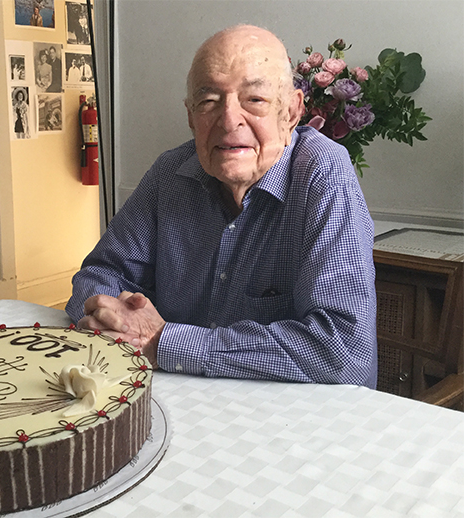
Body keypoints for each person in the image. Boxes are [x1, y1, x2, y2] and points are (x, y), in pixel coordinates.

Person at [65, 25, 378, 388]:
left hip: (299, 422)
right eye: (209, 101)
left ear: (291, 112)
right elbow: (98, 274)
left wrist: (163, 342)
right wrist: (117, 319)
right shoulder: (170, 173)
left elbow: (344, 351)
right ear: (190, 116)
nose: (229, 121)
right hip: (184, 403)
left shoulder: (324, 174)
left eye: (255, 100)